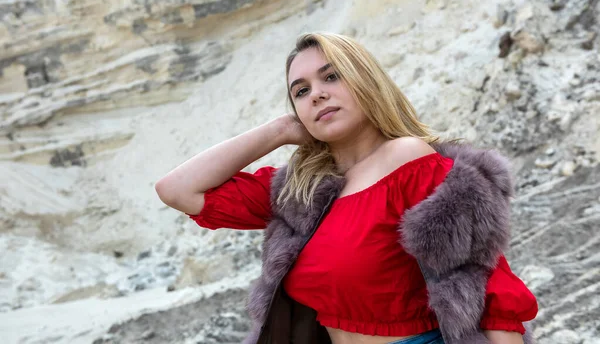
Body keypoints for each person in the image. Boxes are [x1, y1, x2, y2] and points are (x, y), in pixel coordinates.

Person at [155, 32, 538, 344]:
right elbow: (178, 190)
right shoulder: (301, 191)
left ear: (365, 81)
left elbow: (489, 284)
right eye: (300, 91)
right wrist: (280, 130)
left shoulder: (408, 159)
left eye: (331, 76)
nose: (317, 94)